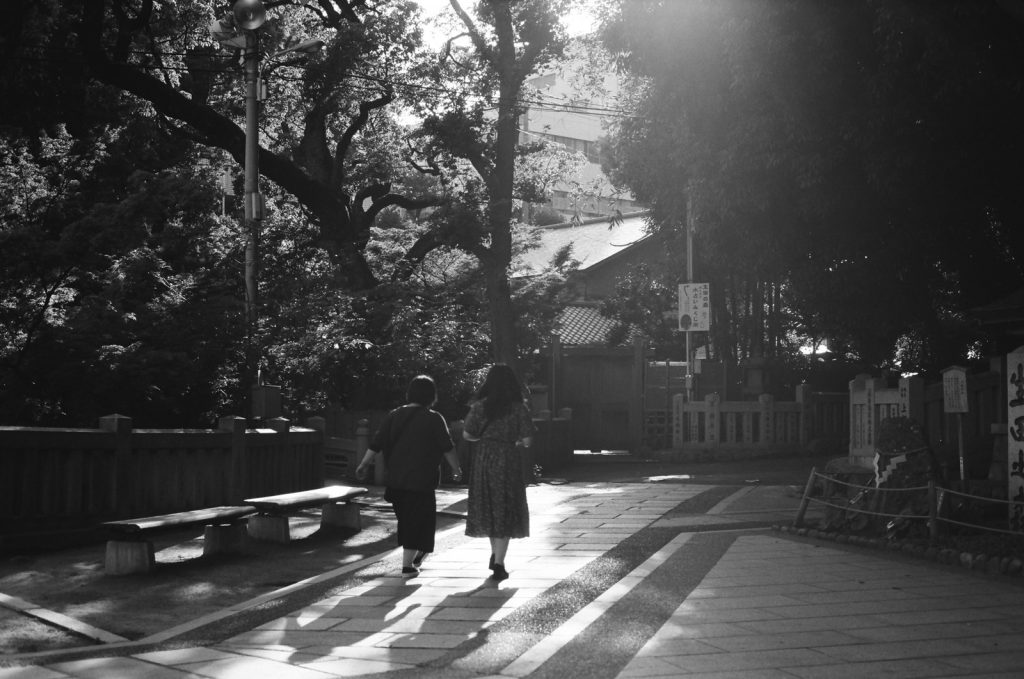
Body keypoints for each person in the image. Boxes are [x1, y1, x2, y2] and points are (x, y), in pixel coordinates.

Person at [355, 375, 462, 577]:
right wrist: (456, 469)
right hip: (421, 482)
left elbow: (377, 443)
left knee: (407, 521)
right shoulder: (434, 418)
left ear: (409, 393)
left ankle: (414, 557)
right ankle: (407, 565)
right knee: (418, 522)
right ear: (432, 395)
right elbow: (448, 447)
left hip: (396, 481)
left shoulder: (393, 415)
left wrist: (363, 464)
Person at [462, 363, 535, 581]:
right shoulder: (519, 408)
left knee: (489, 506)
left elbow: (467, 434)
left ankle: (495, 554)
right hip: (508, 459)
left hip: (483, 459)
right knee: (505, 506)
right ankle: (499, 562)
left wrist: (484, 440)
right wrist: (515, 440)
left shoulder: (479, 407)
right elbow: (528, 440)